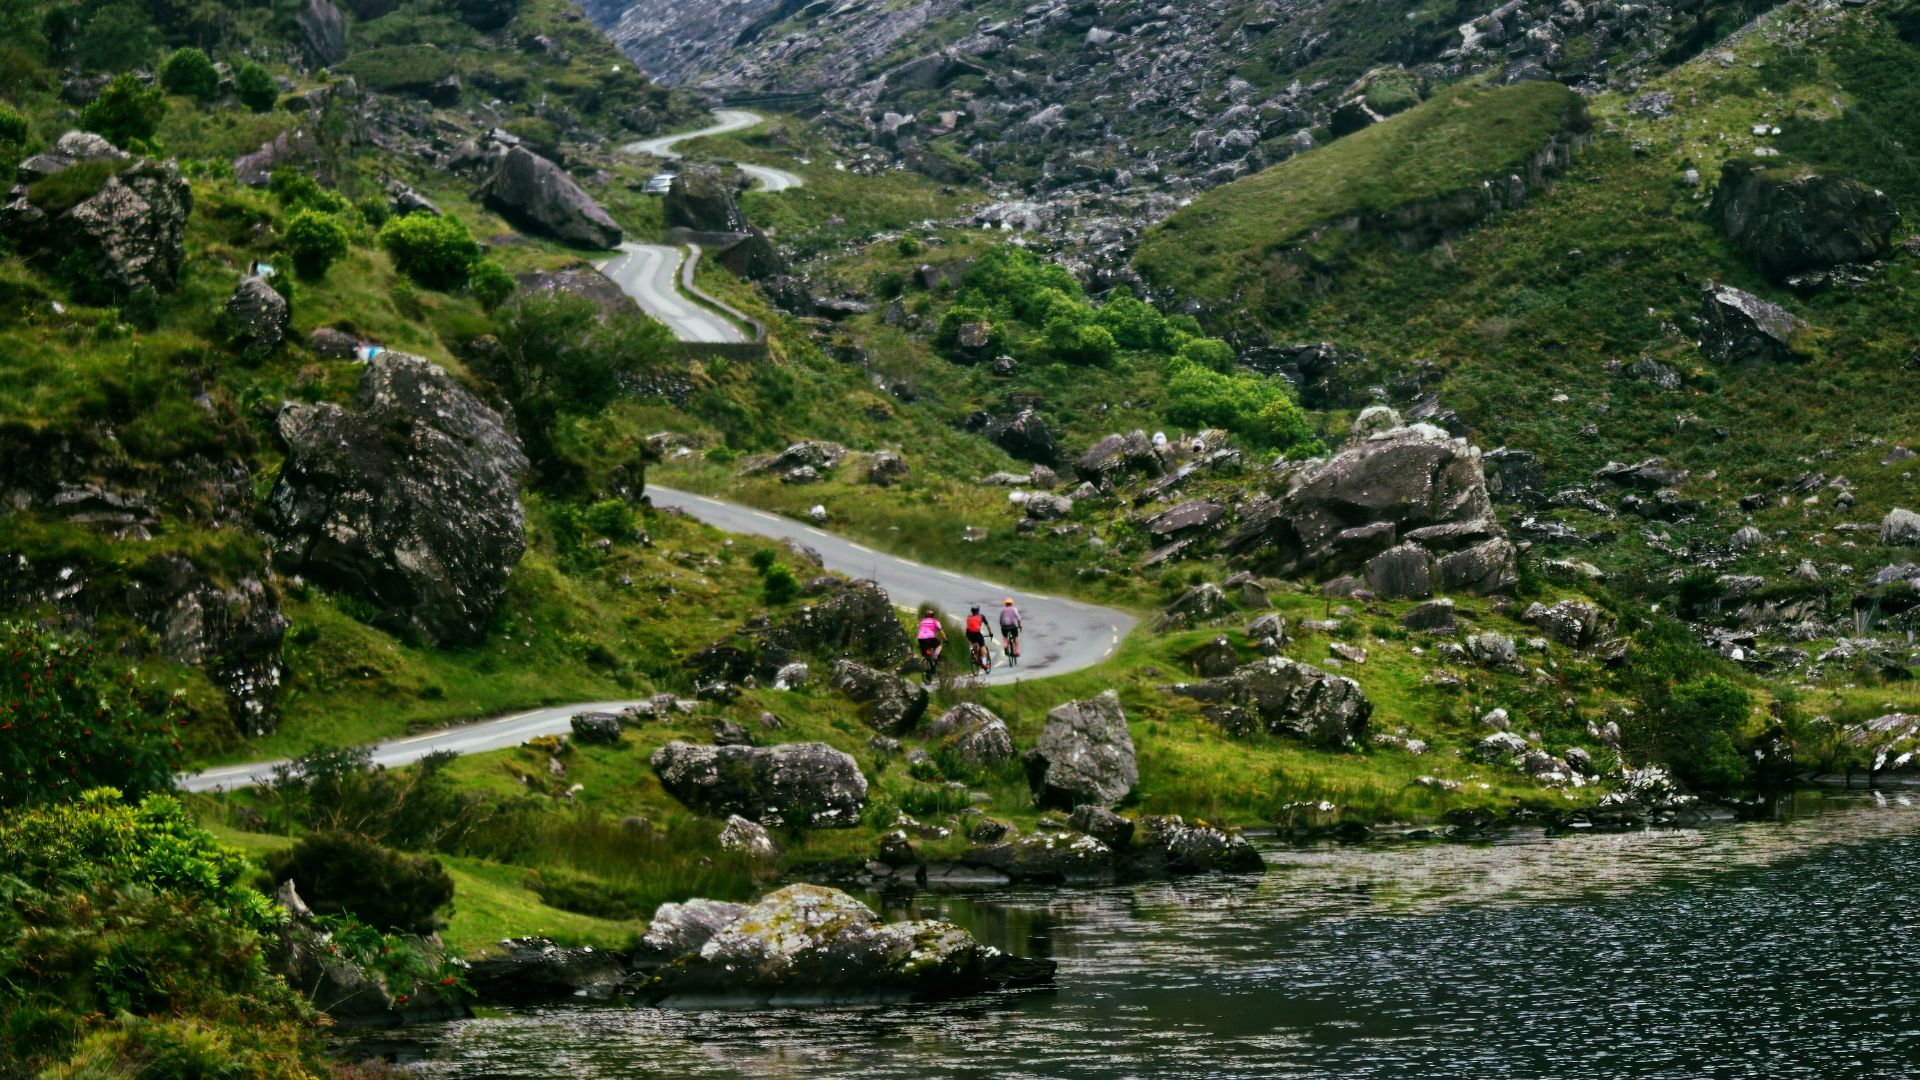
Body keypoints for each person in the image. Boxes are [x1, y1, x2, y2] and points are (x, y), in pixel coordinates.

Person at [915, 608, 944, 683]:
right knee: (939, 645)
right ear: (932, 616)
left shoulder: (922, 621)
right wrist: (946, 638)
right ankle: (935, 656)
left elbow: (920, 631)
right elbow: (941, 632)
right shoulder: (935, 621)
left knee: (926, 656)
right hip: (930, 639)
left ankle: (926, 671)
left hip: (921, 640)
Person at [964, 605, 990, 674]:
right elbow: (987, 625)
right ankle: (984, 663)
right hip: (977, 633)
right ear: (978, 611)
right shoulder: (981, 616)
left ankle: (975, 656)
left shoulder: (968, 617)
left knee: (974, 643)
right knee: (982, 646)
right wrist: (990, 633)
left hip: (969, 634)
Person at [999, 597, 1023, 666]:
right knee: (1016, 637)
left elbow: (1001, 620)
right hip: (1013, 626)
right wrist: (1020, 625)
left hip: (1004, 627)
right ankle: (1016, 651)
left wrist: (1002, 626)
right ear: (1012, 603)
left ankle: (1006, 647)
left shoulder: (1002, 610)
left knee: (1005, 638)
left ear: (1005, 604)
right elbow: (1018, 618)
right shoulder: (1014, 609)